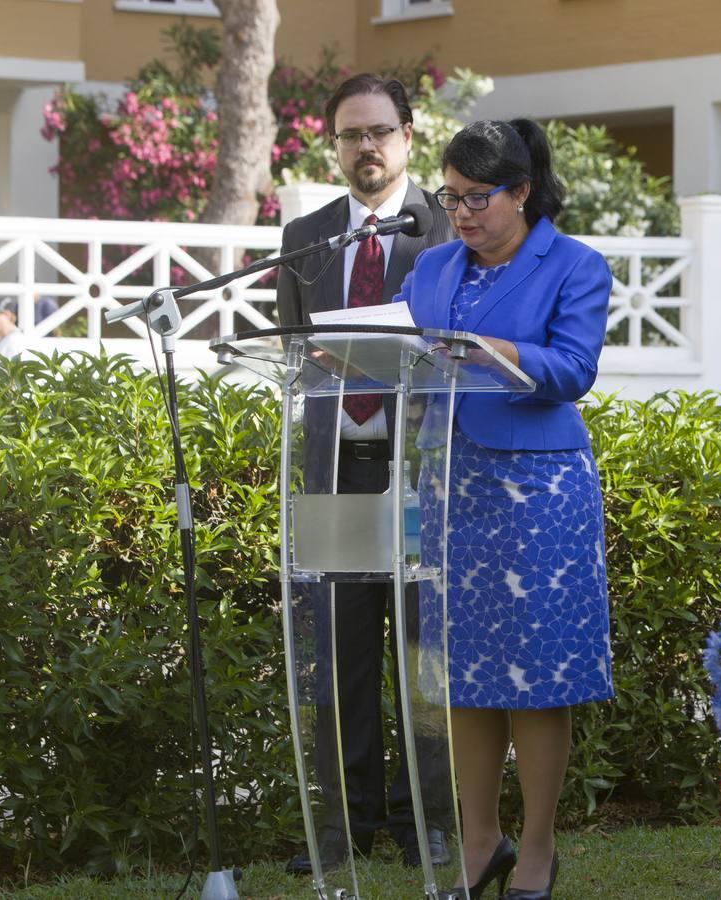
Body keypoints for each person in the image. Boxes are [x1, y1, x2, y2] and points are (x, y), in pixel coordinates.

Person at [397, 119, 614, 900]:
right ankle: (480, 838)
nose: (460, 213)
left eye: (477, 198)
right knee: (463, 673)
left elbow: (574, 368)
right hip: (449, 486)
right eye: (449, 198)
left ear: (521, 192)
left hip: (538, 493)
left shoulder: (576, 265)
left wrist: (496, 352)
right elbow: (402, 346)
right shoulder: (429, 269)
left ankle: (538, 848)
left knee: (536, 678)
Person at [275, 72, 455, 874]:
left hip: (426, 470)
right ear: (335, 145)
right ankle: (347, 826)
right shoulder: (307, 238)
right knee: (341, 654)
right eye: (351, 135)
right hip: (336, 468)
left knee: (426, 657)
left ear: (408, 137)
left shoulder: (452, 229)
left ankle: (433, 825)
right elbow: (287, 352)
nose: (366, 147)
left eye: (379, 131)